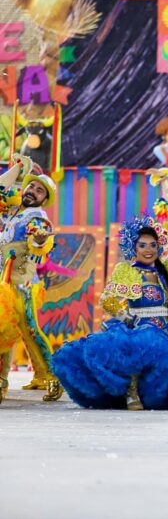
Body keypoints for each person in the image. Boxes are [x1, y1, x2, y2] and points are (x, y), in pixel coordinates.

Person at [52, 217, 168, 410]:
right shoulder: (127, 271)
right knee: (140, 345)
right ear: (133, 248)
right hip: (139, 325)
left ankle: (155, 394)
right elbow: (107, 300)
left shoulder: (166, 271)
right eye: (142, 245)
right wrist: (127, 319)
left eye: (152, 244)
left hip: (167, 328)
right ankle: (131, 392)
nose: (148, 249)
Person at [0, 160, 63, 402]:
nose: (32, 192)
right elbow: (1, 189)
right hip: (4, 279)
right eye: (31, 187)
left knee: (29, 328)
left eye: (39, 191)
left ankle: (53, 378)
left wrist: (38, 240)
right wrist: (17, 169)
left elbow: (41, 243)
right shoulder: (15, 210)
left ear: (43, 199)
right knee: (6, 328)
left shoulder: (36, 216)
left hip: (21, 282)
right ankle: (25, 377)